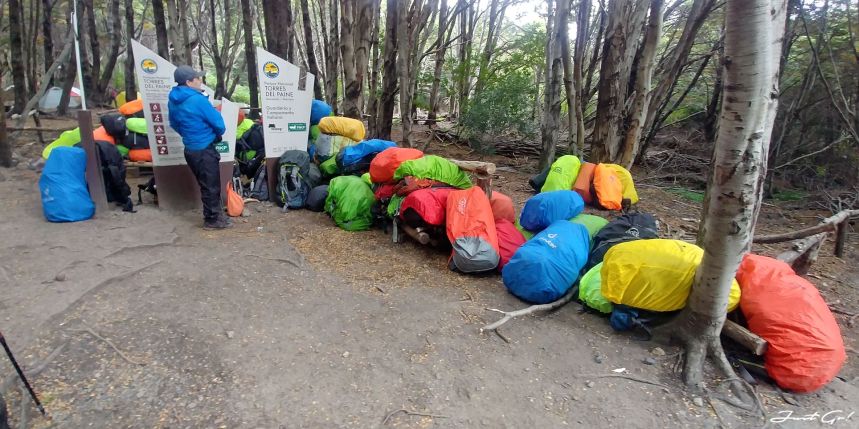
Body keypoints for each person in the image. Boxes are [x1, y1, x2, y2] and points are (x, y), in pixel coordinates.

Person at [168, 65, 231, 229]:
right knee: (211, 185)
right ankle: (212, 220)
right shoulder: (197, 99)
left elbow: (174, 124)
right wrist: (215, 134)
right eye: (197, 78)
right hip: (204, 148)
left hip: (190, 149)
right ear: (189, 82)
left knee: (206, 183)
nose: (200, 80)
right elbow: (218, 123)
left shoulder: (173, 100)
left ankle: (216, 216)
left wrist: (189, 135)